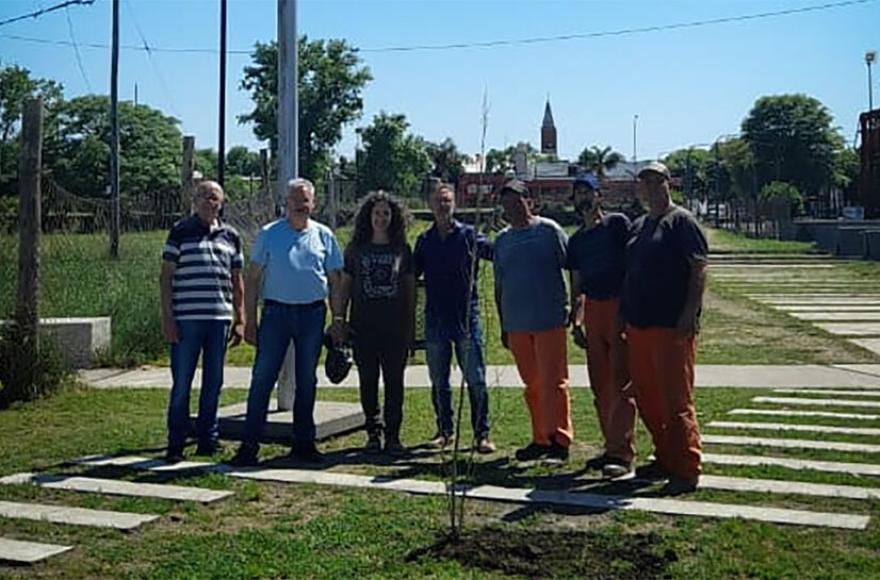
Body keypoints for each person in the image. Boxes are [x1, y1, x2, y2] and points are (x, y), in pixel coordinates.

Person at [230, 178, 344, 466]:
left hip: (312, 315)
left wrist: (339, 318)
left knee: (307, 380)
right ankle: (249, 446)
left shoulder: (324, 235)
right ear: (286, 202)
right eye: (295, 199)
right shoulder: (269, 234)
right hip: (276, 314)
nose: (300, 205)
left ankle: (303, 443)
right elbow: (253, 278)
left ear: (313, 203)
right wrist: (250, 319)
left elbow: (335, 280)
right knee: (262, 378)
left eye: (305, 200)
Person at [621, 161, 708, 495]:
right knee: (647, 397)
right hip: (639, 324)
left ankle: (686, 466)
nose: (652, 188)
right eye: (645, 183)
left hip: (671, 325)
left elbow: (698, 268)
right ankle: (665, 455)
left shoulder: (681, 221)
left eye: (658, 181)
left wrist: (689, 312)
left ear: (669, 184)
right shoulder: (640, 225)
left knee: (676, 399)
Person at [160, 180, 244, 463]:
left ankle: (208, 438)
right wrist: (168, 317)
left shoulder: (230, 236)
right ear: (196, 201)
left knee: (214, 380)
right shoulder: (181, 231)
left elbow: (237, 280)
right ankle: (176, 441)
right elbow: (166, 277)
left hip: (219, 317)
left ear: (221, 203)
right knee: (182, 381)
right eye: (206, 197)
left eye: (215, 198)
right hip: (187, 318)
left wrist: (240, 316)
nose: (210, 202)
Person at [493, 179, 572, 462]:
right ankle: (540, 438)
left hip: (549, 319)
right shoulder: (501, 240)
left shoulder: (549, 231)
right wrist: (504, 324)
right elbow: (499, 285)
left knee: (554, 382)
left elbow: (573, 267)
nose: (512, 207)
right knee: (533, 384)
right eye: (506, 203)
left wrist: (576, 307)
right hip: (516, 323)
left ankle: (559, 439)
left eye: (517, 201)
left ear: (530, 202)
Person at [413, 183, 495, 454]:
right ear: (430, 205)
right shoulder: (424, 241)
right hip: (435, 318)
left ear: (455, 204)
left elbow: (494, 253)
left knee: (476, 378)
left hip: (465, 318)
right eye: (438, 201)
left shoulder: (469, 235)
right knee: (439, 380)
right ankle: (444, 432)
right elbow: (411, 276)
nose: (442, 206)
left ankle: (481, 434)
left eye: (447, 201)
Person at [333, 191, 415, 456]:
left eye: (386, 213)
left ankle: (393, 436)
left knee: (395, 382)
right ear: (368, 216)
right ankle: (372, 432)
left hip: (395, 328)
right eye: (376, 213)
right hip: (363, 327)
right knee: (368, 380)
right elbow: (345, 286)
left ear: (394, 217)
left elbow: (410, 289)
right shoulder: (355, 249)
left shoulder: (402, 249)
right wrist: (339, 320)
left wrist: (411, 326)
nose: (381, 218)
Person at [566, 173, 636, 479]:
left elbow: (633, 265)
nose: (583, 198)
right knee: (600, 384)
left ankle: (623, 453)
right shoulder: (577, 240)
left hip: (619, 305)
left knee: (622, 382)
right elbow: (577, 283)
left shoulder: (618, 224)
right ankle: (610, 445)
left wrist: (629, 308)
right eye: (578, 194)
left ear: (599, 195)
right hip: (593, 309)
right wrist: (577, 319)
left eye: (587, 192)